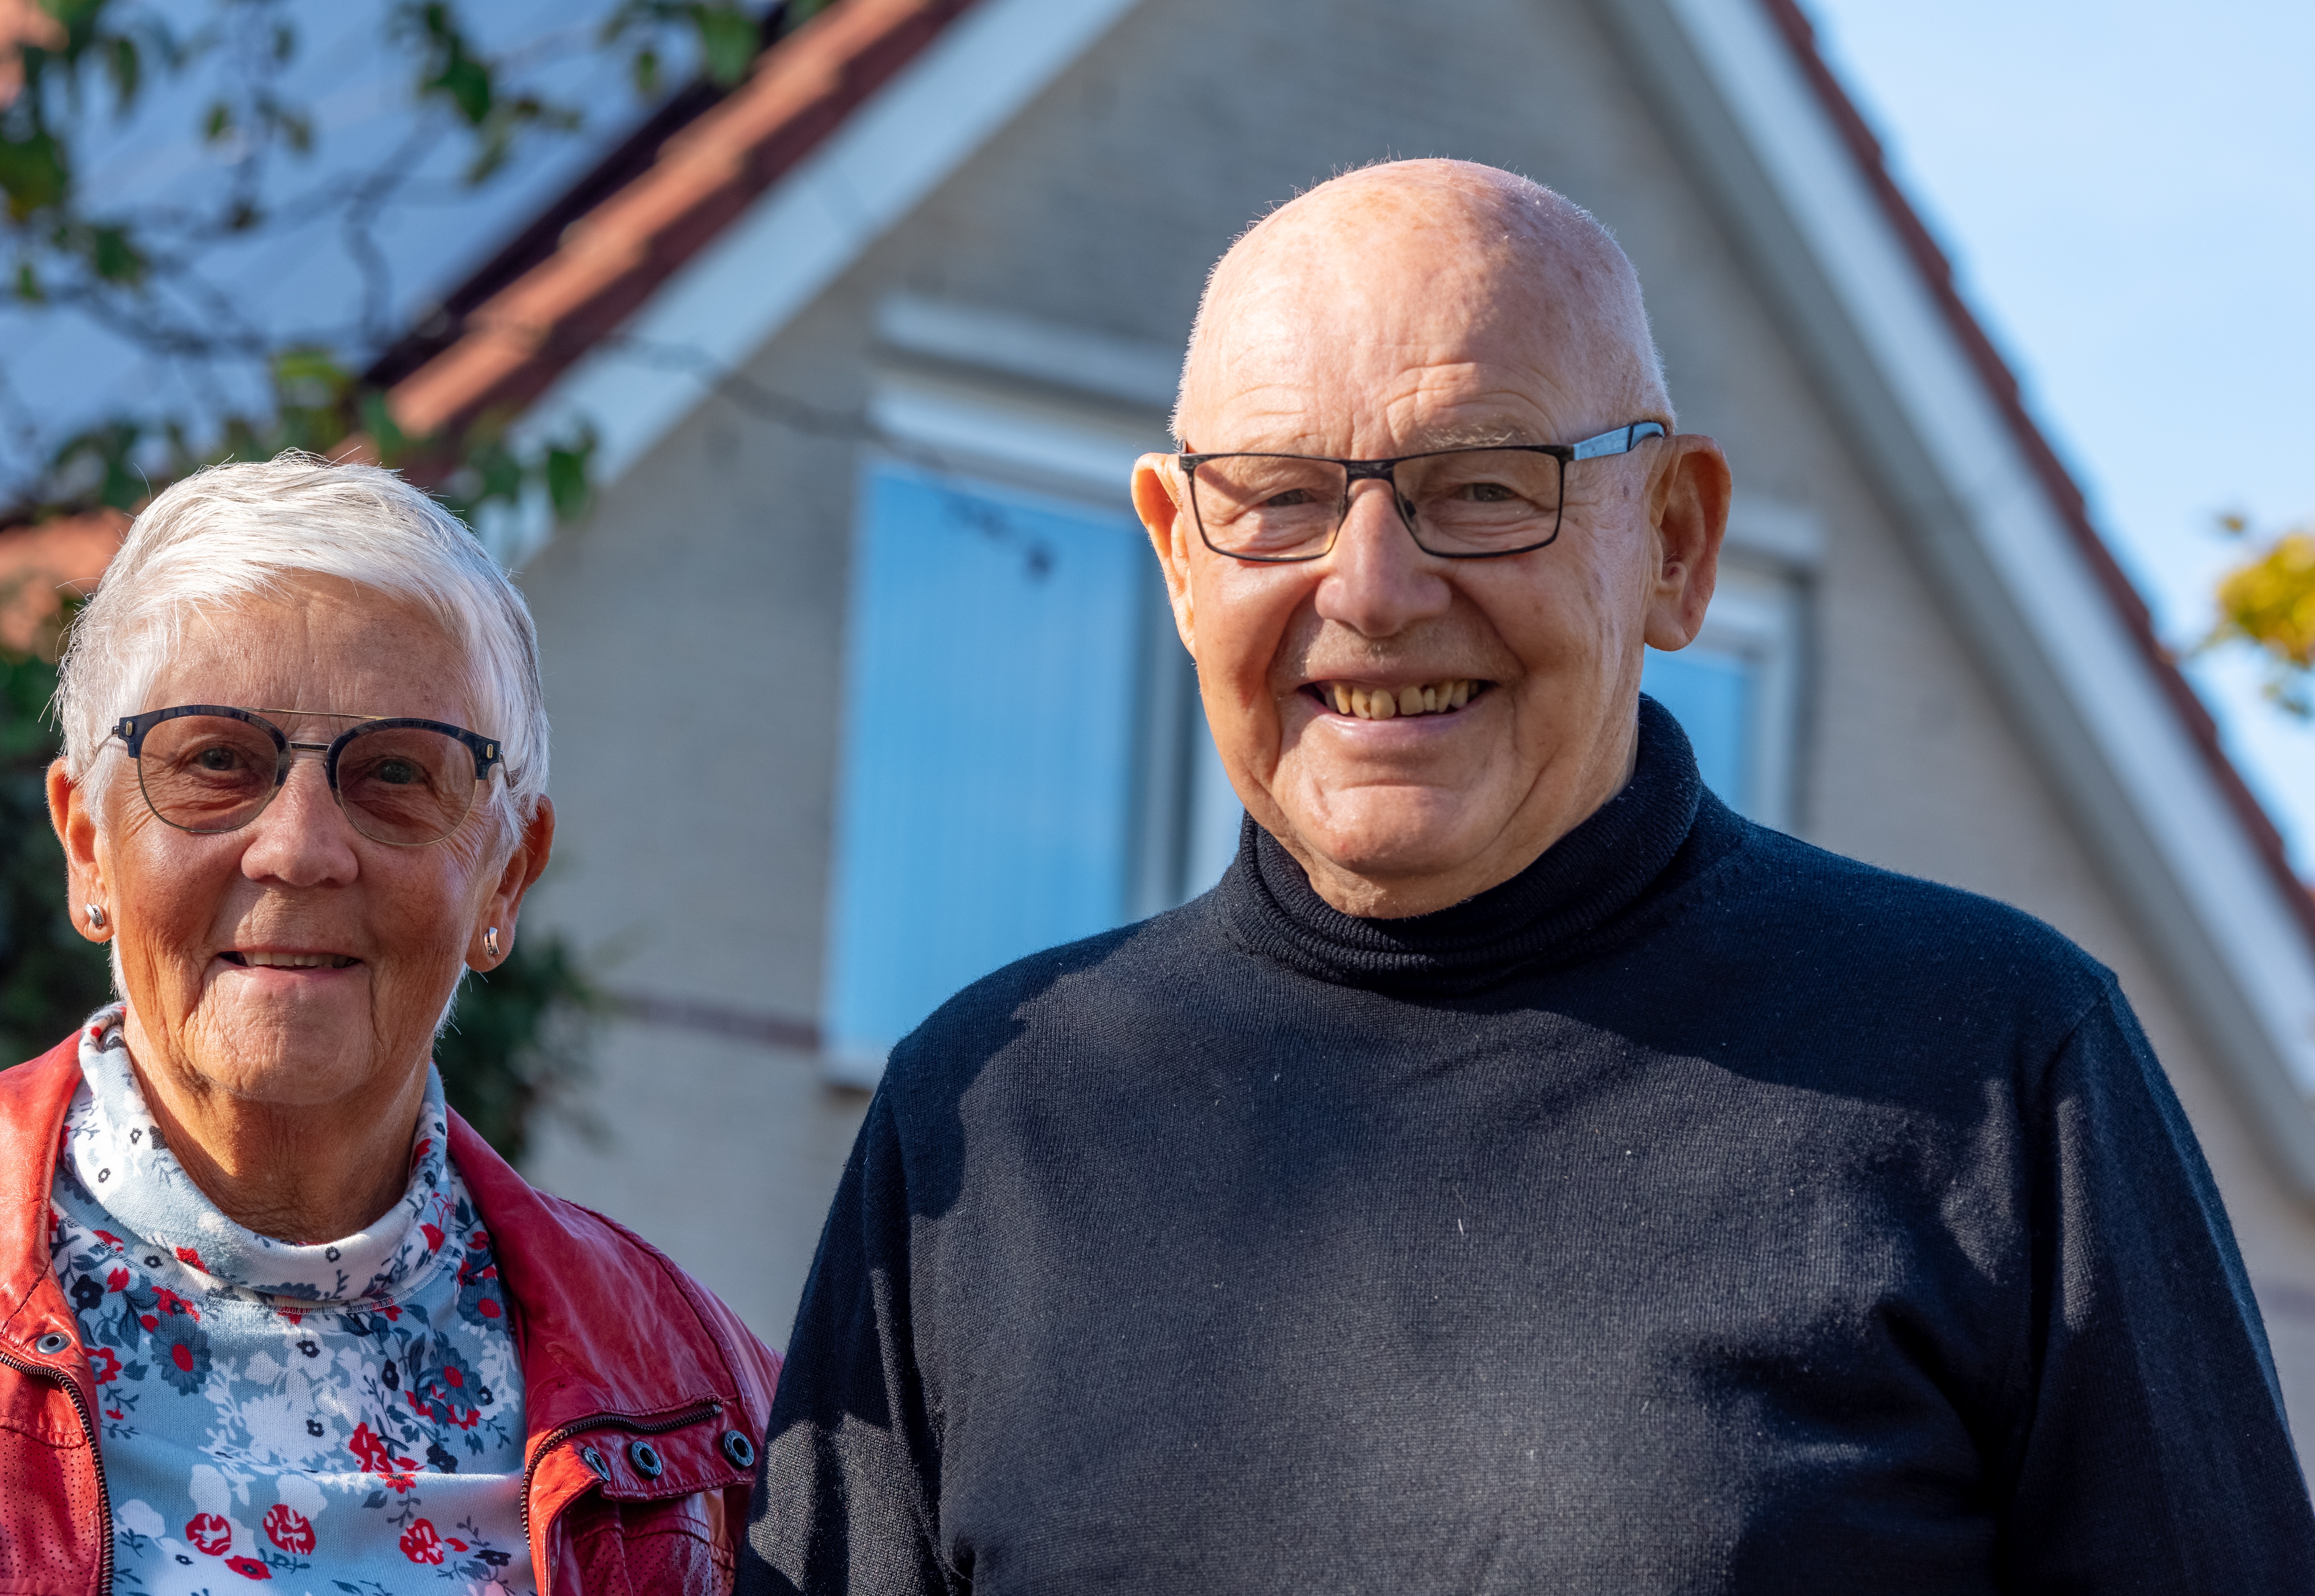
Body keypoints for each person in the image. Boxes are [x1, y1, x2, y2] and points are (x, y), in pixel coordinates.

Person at [744, 160, 2315, 1593]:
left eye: (1485, 486)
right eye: (1278, 497)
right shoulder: (985, 1126)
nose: (1371, 589)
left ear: (1676, 544)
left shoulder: (1987, 1067)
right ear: (1176, 554)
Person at [0, 452, 776, 1596]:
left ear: (505, 880)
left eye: (398, 772)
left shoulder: (712, 1413)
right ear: (87, 846)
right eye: (215, 761)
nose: (299, 849)